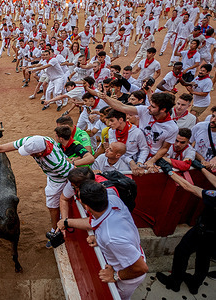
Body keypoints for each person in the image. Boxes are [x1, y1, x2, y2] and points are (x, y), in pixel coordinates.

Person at [0, 135, 75, 248]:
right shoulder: (31, 140)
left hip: (59, 179)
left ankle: (55, 230)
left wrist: (65, 194)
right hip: (53, 175)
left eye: (30, 153)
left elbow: (74, 174)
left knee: (54, 204)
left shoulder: (56, 163)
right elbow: (1, 148)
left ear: (38, 153)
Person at [56, 180, 148, 300]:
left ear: (87, 207)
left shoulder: (110, 238)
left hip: (129, 275)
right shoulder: (113, 199)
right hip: (131, 254)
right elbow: (97, 222)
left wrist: (116, 275)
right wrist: (98, 237)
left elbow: (141, 268)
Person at [155, 163, 216, 295]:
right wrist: (201, 168)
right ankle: (195, 285)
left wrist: (170, 172)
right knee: (204, 258)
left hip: (203, 231)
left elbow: (191, 188)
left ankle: (174, 283)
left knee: (181, 252)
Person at [98, 91, 178, 173]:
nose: (148, 107)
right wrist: (105, 98)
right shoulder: (145, 110)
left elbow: (165, 148)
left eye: (153, 107)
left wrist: (152, 161)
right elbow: (122, 107)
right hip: (136, 158)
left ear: (163, 110)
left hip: (152, 161)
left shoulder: (172, 128)